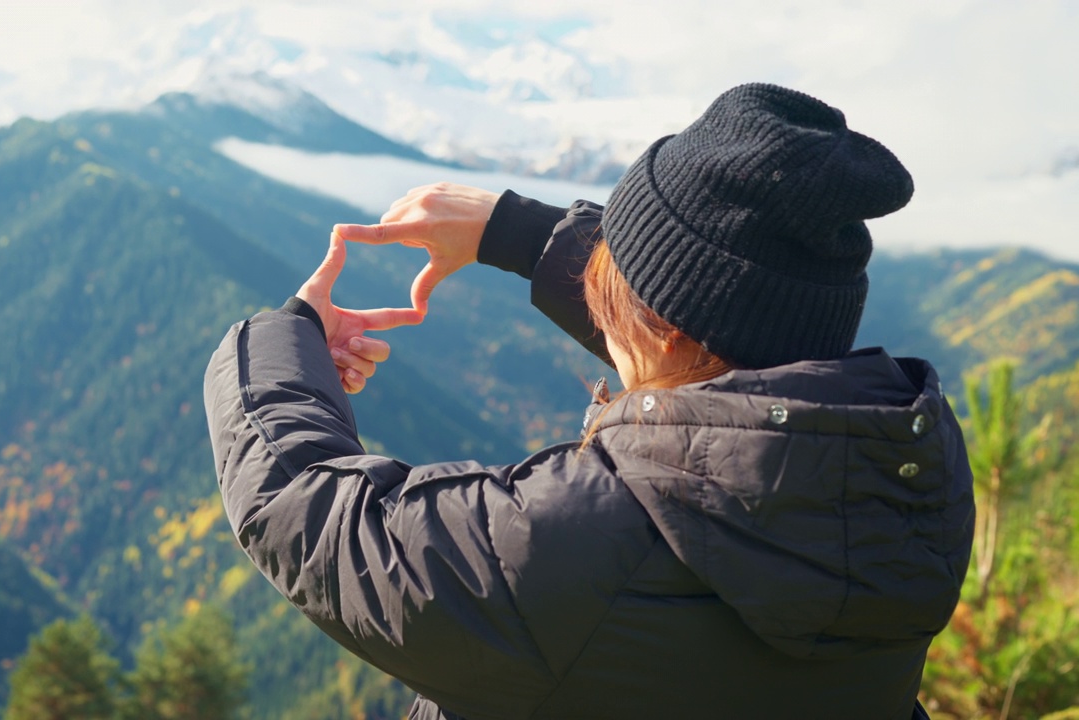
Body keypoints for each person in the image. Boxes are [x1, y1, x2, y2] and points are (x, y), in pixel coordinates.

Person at [204, 83, 975, 719]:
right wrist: (513, 231)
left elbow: (299, 505)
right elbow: (719, 349)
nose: (602, 293)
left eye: (611, 275)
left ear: (661, 327)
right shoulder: (909, 481)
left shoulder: (569, 550)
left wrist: (288, 334)